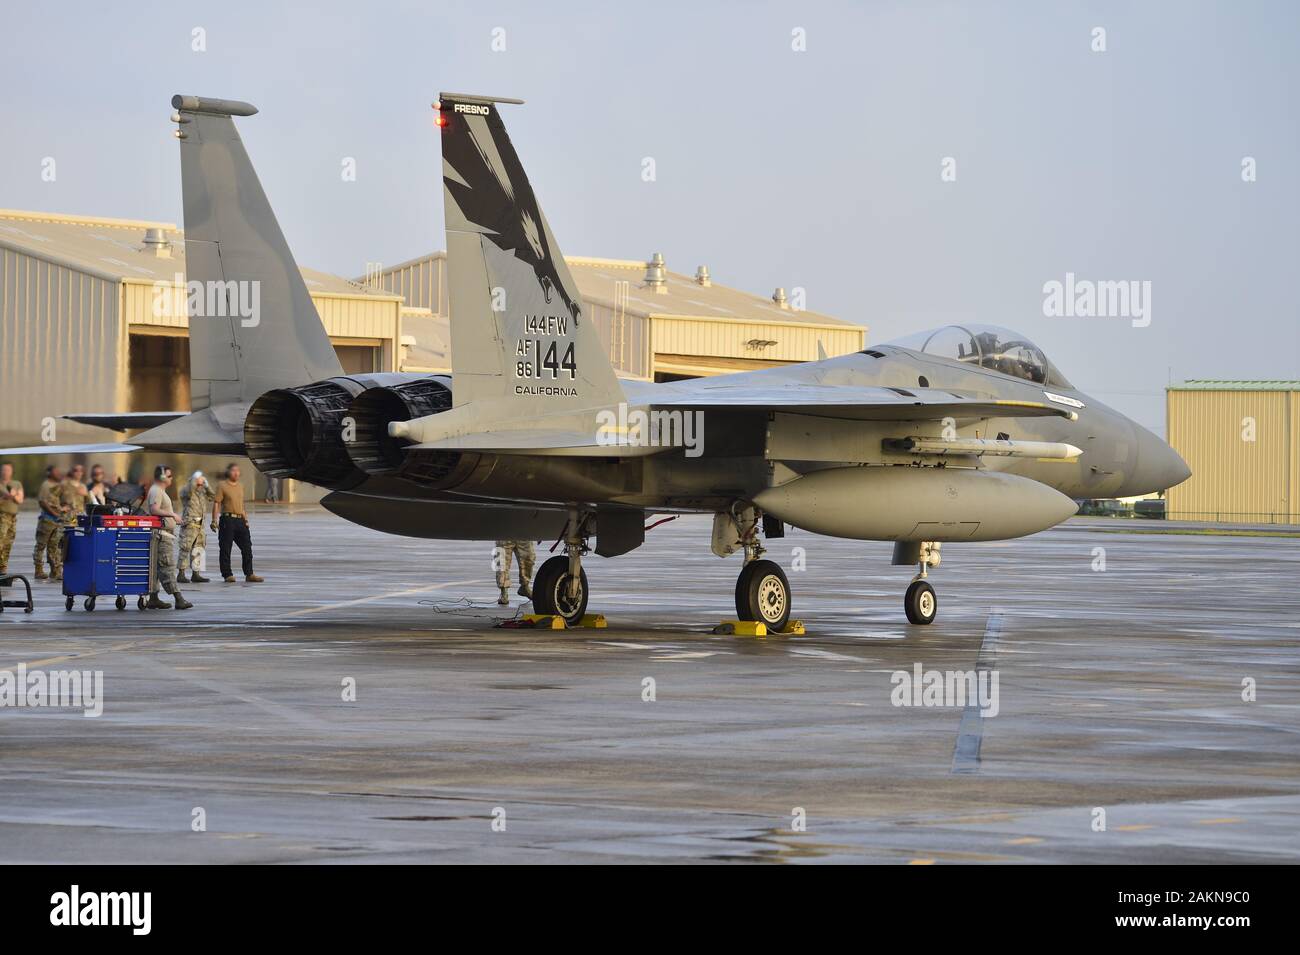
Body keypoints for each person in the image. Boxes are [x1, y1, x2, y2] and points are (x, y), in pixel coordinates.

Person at [145, 465, 191, 610]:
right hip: (161, 536)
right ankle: (178, 598)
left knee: (157, 567)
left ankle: (153, 598)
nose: (172, 478)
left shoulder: (159, 491)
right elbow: (154, 509)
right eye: (170, 476)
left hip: (164, 534)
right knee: (167, 566)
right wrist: (172, 515)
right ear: (164, 477)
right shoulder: (156, 491)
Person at [211, 463, 263, 583]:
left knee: (247, 547)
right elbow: (217, 503)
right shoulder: (222, 485)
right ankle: (227, 574)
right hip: (227, 520)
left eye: (238, 471)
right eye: (233, 470)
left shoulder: (240, 486)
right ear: (228, 472)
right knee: (225, 548)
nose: (236, 473)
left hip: (240, 520)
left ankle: (249, 574)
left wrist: (245, 519)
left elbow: (241, 505)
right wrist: (214, 520)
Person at [176, 471, 214, 584]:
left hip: (200, 525)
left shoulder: (201, 492)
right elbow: (187, 491)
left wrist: (206, 485)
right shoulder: (186, 491)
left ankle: (196, 574)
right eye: (198, 481)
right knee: (185, 549)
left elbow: (213, 497)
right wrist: (195, 480)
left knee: (199, 549)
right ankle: (181, 574)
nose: (199, 483)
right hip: (190, 524)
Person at [33, 465, 67, 580]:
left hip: (56, 520)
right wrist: (54, 513)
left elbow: (61, 501)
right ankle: (38, 570)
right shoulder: (46, 485)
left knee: (54, 546)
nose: (58, 473)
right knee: (41, 545)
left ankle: (55, 571)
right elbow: (42, 502)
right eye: (56, 471)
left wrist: (62, 509)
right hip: (47, 520)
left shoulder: (58, 485)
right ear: (49, 473)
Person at [494, 540, 536, 605]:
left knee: (529, 558)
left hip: (523, 532)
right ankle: (504, 591)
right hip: (504, 533)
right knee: (502, 562)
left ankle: (524, 586)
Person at [0, 462, 23, 576]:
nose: (5, 472)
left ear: (12, 472)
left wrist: (13, 496)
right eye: (3, 470)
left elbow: (20, 500)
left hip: (13, 517)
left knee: (8, 543)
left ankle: (3, 568)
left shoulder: (16, 483)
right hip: (2, 517)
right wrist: (4, 497)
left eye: (8, 470)